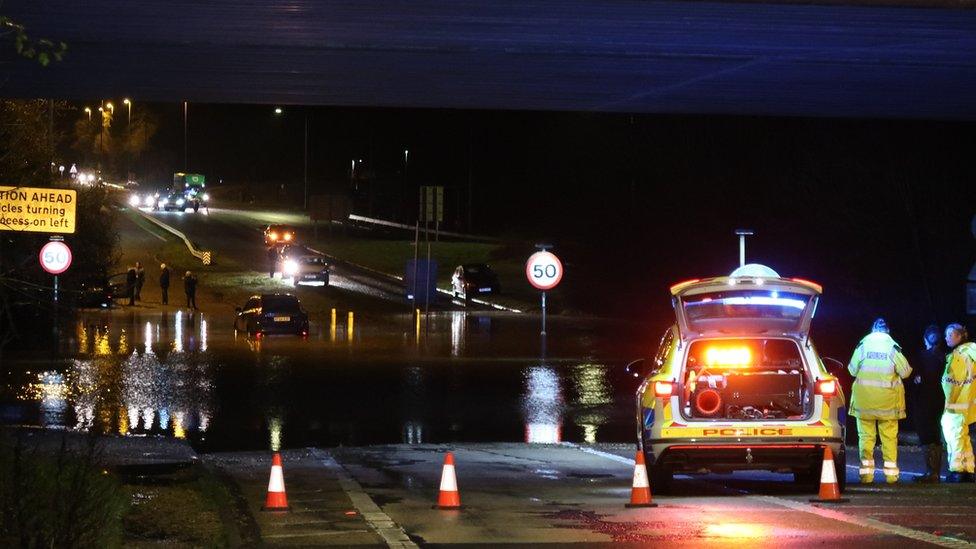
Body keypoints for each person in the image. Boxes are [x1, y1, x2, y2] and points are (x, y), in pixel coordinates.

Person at [848, 318, 912, 484]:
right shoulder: (892, 348)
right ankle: (891, 476)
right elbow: (905, 372)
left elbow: (852, 370)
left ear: (872, 330)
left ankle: (866, 476)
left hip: (865, 403)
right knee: (889, 439)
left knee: (866, 439)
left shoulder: (862, 346)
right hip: (888, 403)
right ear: (887, 331)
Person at [911, 324, 946, 483]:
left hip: (924, 400)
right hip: (940, 398)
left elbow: (915, 377)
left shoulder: (922, 356)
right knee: (936, 435)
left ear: (926, 339)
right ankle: (935, 472)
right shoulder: (944, 357)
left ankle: (931, 472)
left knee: (926, 436)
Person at [941, 323, 976, 483]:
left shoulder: (958, 356)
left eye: (950, 334)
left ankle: (957, 470)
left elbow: (952, 383)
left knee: (954, 437)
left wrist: (946, 402)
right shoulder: (972, 352)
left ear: (960, 336)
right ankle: (969, 468)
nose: (946, 337)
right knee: (964, 436)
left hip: (956, 405)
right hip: (969, 403)